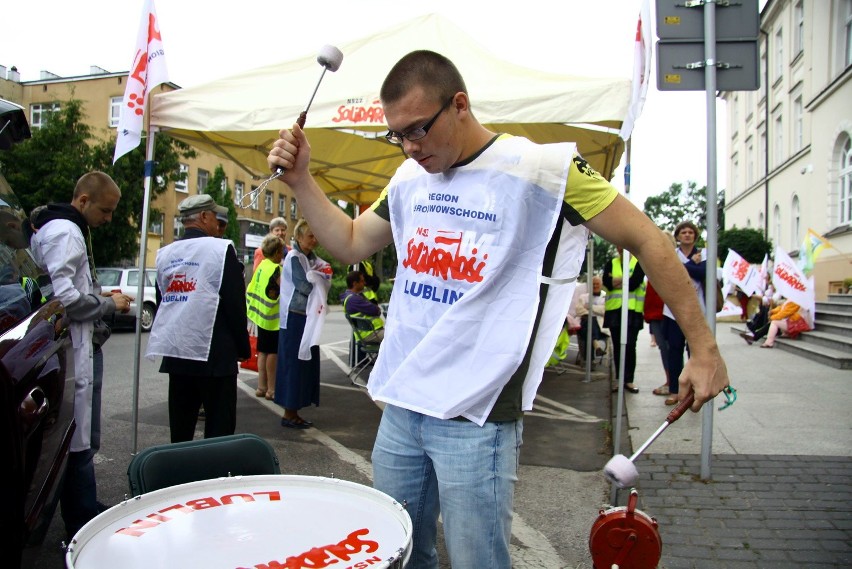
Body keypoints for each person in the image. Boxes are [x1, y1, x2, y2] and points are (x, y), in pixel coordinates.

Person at [267, 49, 729, 568]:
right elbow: (350, 241)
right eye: (397, 135)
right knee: (396, 555)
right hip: (402, 402)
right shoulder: (409, 178)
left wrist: (704, 347)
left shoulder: (540, 167)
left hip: (477, 413)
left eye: (418, 129)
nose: (409, 147)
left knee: (476, 561)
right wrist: (302, 180)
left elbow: (650, 239)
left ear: (459, 105)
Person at [29, 171, 132, 538]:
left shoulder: (60, 229)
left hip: (74, 344)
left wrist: (102, 299)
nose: (108, 219)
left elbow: (69, 289)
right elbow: (65, 300)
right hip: (75, 344)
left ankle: (78, 512)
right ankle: (78, 516)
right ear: (83, 201)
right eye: (105, 211)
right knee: (79, 436)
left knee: (76, 436)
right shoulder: (67, 233)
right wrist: (106, 306)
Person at [146, 193, 251, 443]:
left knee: (181, 430)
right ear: (204, 217)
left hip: (178, 352)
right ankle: (215, 479)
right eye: (216, 217)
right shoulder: (220, 249)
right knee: (219, 430)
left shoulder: (165, 253)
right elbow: (235, 304)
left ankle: (183, 478)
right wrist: (242, 347)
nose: (218, 224)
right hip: (215, 355)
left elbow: (165, 302)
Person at [274, 219, 332, 429]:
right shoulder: (294, 257)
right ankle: (289, 412)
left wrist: (321, 279)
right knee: (294, 365)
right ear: (299, 237)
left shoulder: (311, 259)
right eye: (310, 236)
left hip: (307, 316)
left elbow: (321, 277)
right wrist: (321, 280)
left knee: (304, 365)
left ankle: (294, 410)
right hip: (295, 317)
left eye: (316, 236)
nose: (314, 240)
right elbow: (305, 285)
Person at [660, 220, 707, 405]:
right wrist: (690, 265)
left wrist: (684, 265)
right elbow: (670, 273)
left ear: (695, 235)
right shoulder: (672, 254)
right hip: (673, 310)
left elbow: (702, 273)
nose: (687, 235)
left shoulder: (703, 254)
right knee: (674, 350)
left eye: (690, 232)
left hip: (696, 310)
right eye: (683, 232)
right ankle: (674, 390)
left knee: (694, 351)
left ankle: (694, 390)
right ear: (678, 236)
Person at [602, 247, 645, 394]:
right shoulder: (611, 263)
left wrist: (617, 280)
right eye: (619, 246)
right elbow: (606, 282)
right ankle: (619, 379)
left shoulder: (638, 263)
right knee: (618, 346)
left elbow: (634, 284)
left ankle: (629, 380)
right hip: (615, 310)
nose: (622, 249)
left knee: (630, 345)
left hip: (632, 311)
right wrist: (623, 280)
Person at [246, 234, 284, 399]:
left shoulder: (261, 266)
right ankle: (271, 389)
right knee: (272, 353)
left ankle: (261, 387)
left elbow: (251, 287)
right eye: (281, 251)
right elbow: (285, 292)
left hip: (261, 316)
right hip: (272, 319)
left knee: (262, 352)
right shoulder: (277, 270)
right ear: (276, 252)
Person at [341, 269, 385, 344]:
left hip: (371, 332)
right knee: (397, 336)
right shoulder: (354, 299)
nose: (364, 283)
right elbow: (376, 311)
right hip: (370, 334)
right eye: (362, 281)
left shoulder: (352, 296)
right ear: (355, 283)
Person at [573, 275, 607, 359]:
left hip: (600, 328)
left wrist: (590, 307)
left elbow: (605, 311)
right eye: (593, 284)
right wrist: (596, 311)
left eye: (597, 284)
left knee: (590, 324)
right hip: (584, 326)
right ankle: (597, 347)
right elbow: (579, 310)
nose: (595, 286)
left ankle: (589, 359)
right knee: (589, 320)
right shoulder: (583, 297)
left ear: (601, 285)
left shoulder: (605, 297)